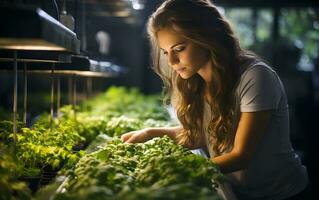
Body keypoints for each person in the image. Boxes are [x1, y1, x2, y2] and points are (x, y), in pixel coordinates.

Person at [121, 0, 309, 199]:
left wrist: (178, 169)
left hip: (282, 194)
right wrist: (152, 133)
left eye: (179, 49)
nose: (171, 62)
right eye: (166, 52)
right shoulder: (197, 81)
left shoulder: (255, 77)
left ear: (206, 38)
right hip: (238, 192)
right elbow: (202, 136)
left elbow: (240, 156)